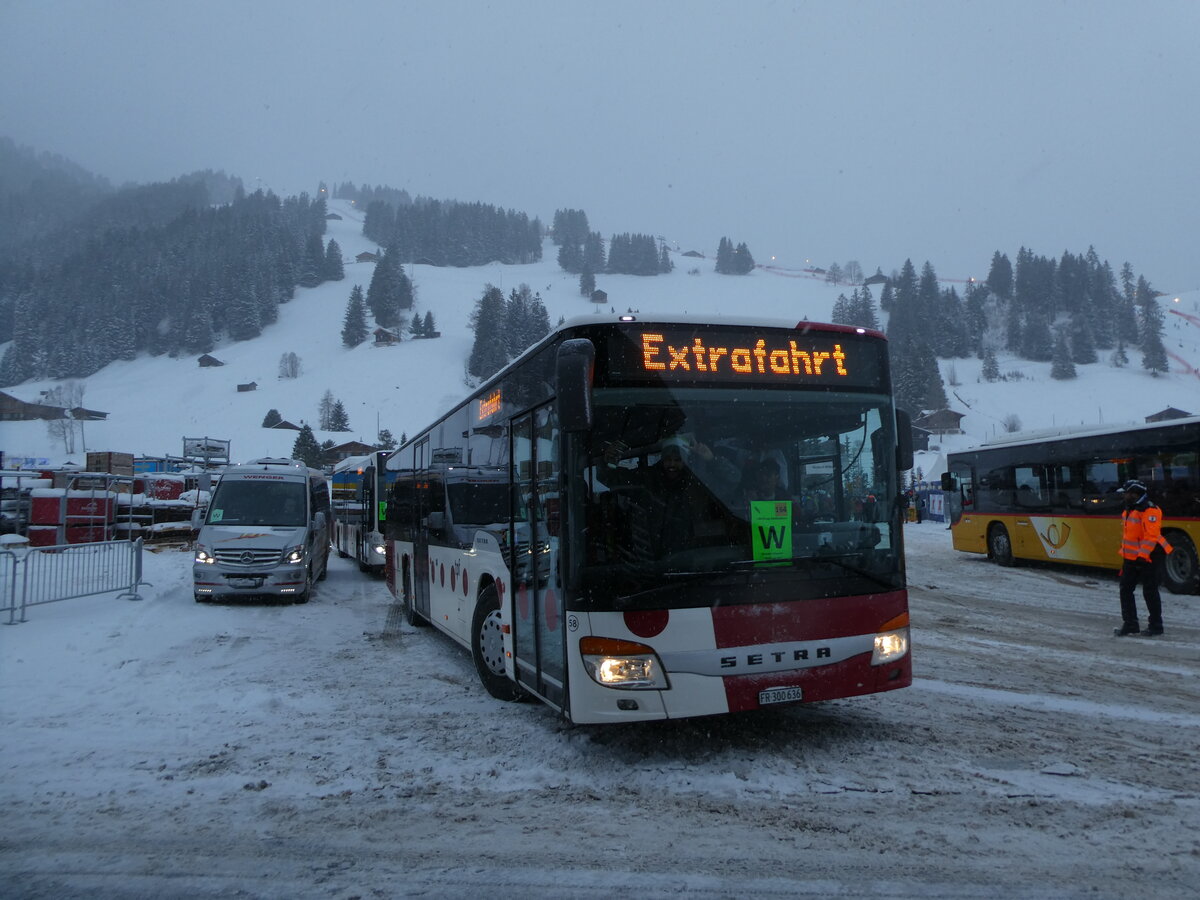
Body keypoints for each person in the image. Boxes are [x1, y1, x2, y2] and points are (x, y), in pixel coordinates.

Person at [1114, 479, 1174, 636]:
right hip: (1132, 558)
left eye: (1126, 493)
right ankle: (1130, 624)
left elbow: (1151, 536)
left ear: (1135, 494)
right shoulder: (1131, 508)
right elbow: (1131, 536)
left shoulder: (1150, 510)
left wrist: (1142, 557)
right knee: (1125, 590)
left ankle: (1155, 626)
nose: (1123, 496)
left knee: (1150, 591)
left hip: (1149, 557)